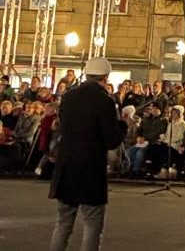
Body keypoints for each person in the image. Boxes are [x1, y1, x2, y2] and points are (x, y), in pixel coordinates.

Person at [49, 57, 123, 251]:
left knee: (63, 224)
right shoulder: (104, 100)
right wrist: (123, 124)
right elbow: (112, 140)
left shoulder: (68, 97)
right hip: (90, 168)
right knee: (92, 225)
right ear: (105, 77)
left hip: (66, 165)